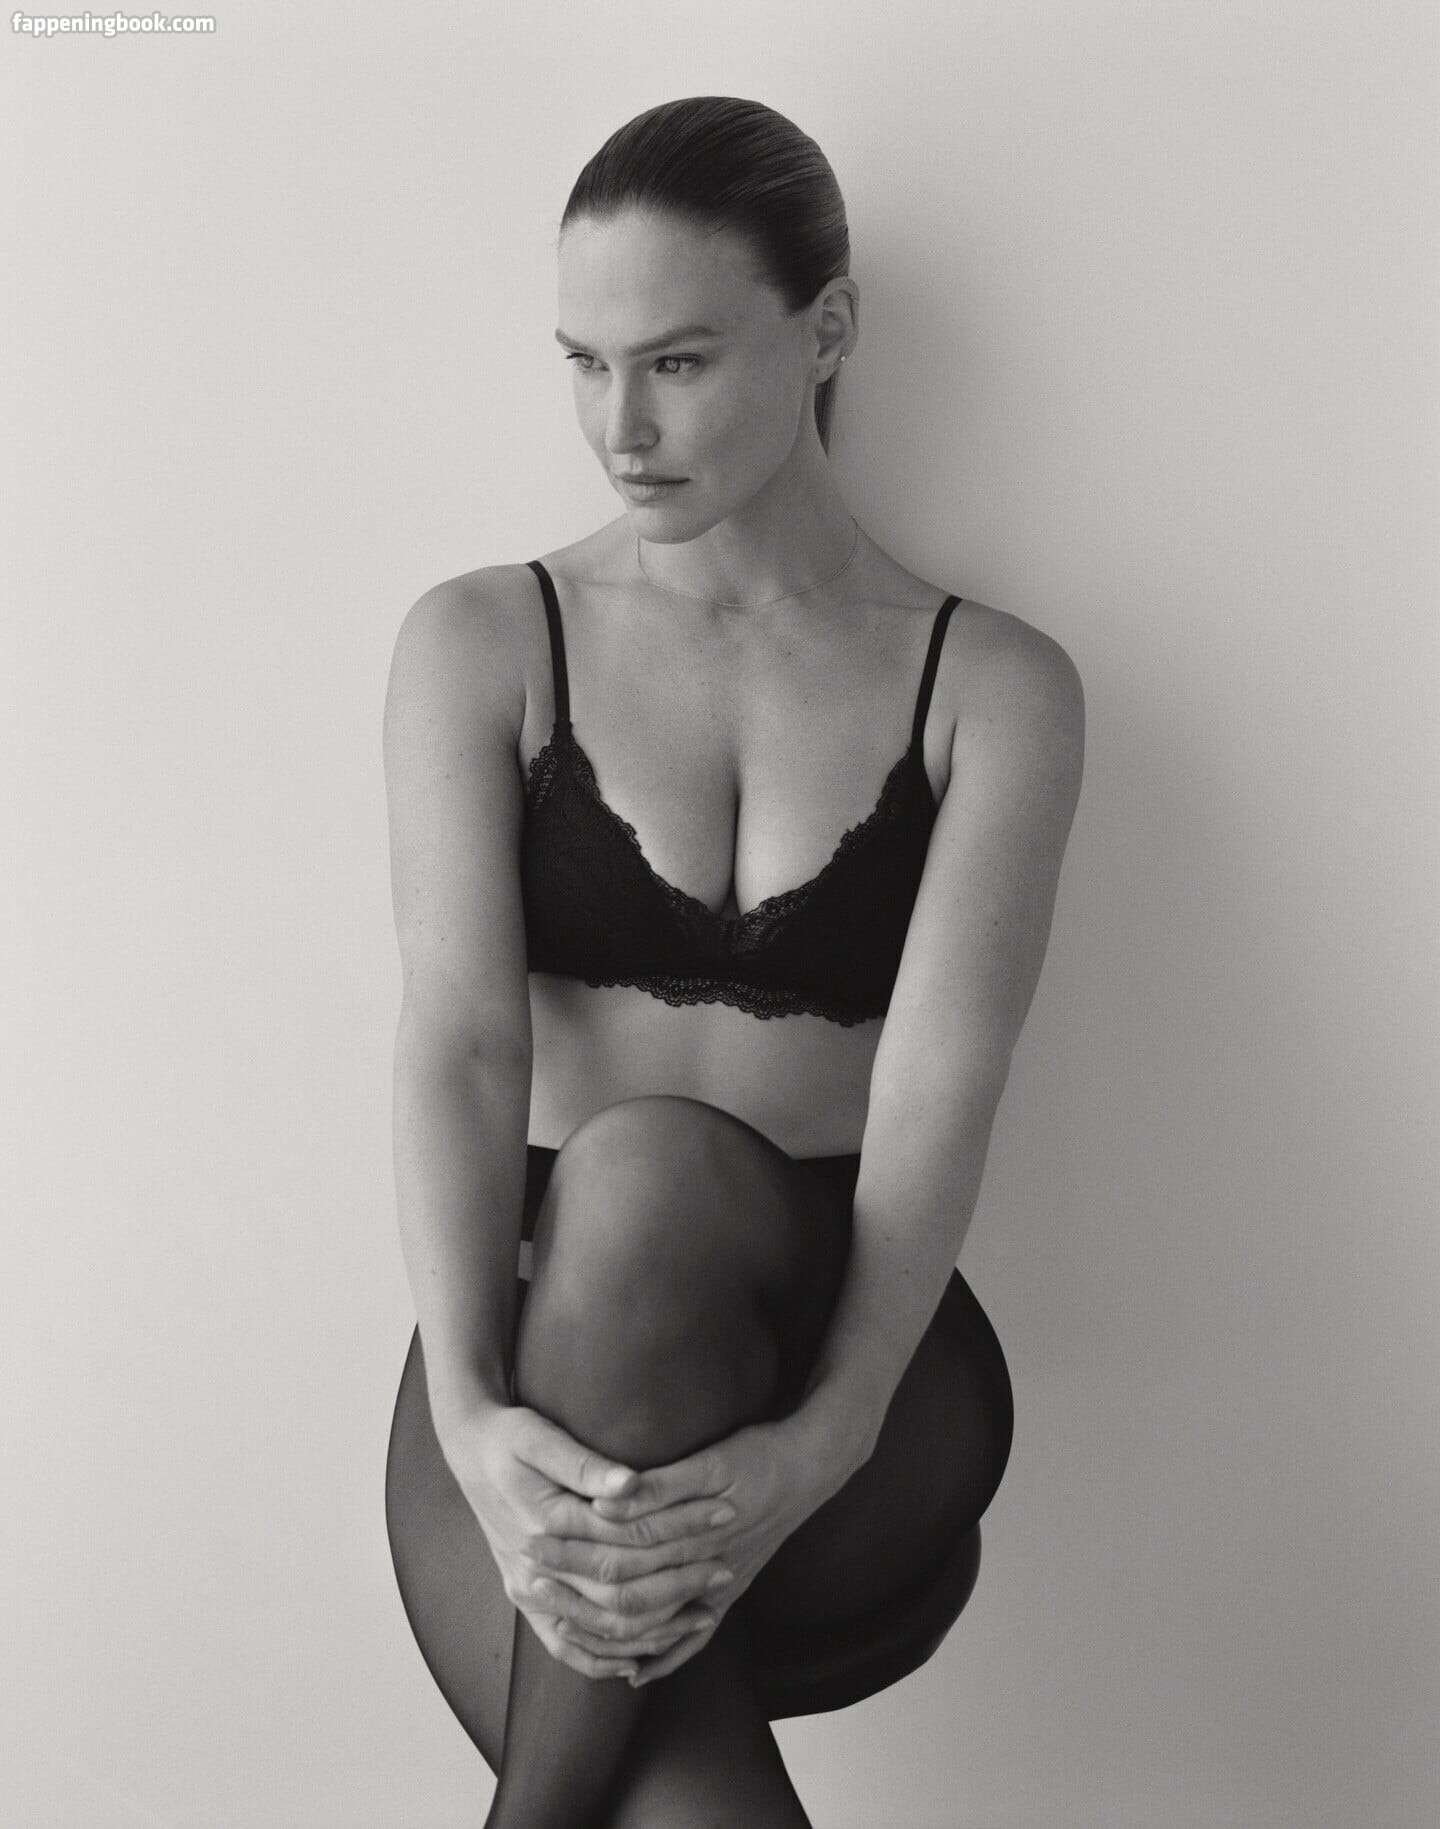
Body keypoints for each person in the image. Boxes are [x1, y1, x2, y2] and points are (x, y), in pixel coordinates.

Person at [382, 94, 1084, 1829]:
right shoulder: (484, 641)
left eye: (678, 363)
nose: (619, 429)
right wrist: (472, 1415)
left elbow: (942, 1087)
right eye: (585, 363)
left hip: (856, 1379)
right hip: (536, 1364)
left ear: (825, 329)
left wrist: (818, 1438)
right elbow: (460, 1045)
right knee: (656, 1794)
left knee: (645, 1173)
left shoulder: (993, 688)